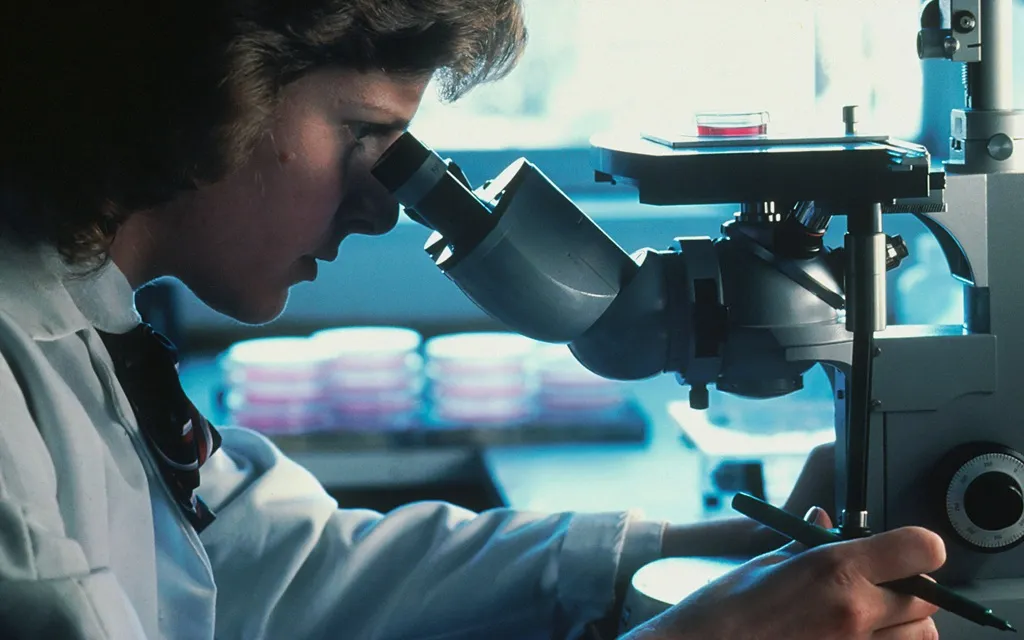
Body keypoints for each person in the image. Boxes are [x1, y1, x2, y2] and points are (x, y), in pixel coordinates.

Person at [0, 2, 946, 639]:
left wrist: (702, 556)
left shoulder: (88, 320)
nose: (380, 206)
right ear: (210, 87)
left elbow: (280, 567)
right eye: (362, 137)